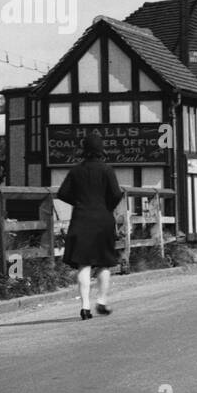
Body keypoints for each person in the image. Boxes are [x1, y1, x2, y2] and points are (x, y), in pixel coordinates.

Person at [56, 132, 124, 320]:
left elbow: (62, 193)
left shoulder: (76, 171)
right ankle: (101, 301)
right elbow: (117, 194)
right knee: (103, 264)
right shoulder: (107, 170)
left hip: (81, 219)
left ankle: (85, 306)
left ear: (84, 150)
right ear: (101, 150)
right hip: (103, 220)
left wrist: (78, 202)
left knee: (83, 264)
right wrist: (106, 206)